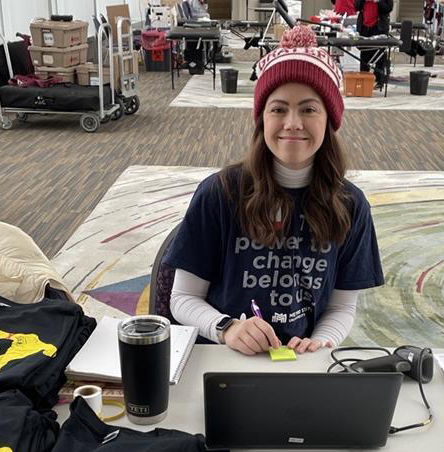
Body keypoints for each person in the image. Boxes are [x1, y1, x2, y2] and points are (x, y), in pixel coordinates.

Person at [162, 25, 384, 356]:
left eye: (309, 109)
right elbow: (182, 299)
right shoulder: (219, 193)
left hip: (299, 365)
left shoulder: (350, 204)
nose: (292, 122)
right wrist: (228, 328)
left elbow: (341, 307)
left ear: (329, 119)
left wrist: (321, 341)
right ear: (262, 118)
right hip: (225, 360)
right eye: (278, 109)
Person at [355, 0, 394, 89]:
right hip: (364, 28)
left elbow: (389, 8)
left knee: (380, 55)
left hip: (379, 27)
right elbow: (357, 7)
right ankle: (364, 80)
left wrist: (378, 1)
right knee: (364, 55)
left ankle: (379, 81)